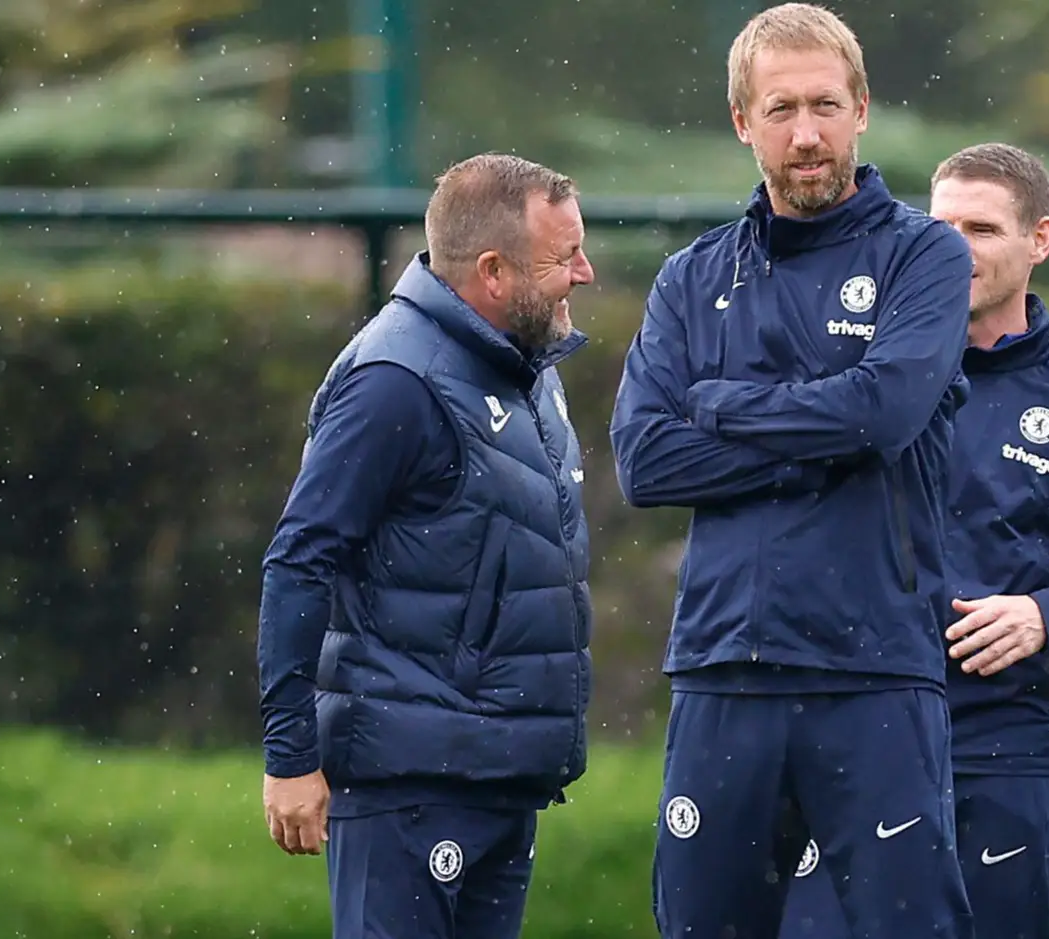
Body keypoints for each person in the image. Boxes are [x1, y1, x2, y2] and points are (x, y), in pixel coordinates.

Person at [608, 4, 976, 938]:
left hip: (875, 670)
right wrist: (824, 431)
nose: (805, 134)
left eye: (823, 105)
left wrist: (724, 403)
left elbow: (884, 413)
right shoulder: (693, 278)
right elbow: (645, 459)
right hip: (724, 669)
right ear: (742, 122)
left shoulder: (924, 254)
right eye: (779, 110)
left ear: (861, 109)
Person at [780, 142, 1049, 938]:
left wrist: (1048, 615)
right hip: (851, 732)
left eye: (982, 228)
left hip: (1001, 743)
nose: (954, 247)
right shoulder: (855, 376)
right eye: (941, 226)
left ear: (1040, 241)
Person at [254, 152, 598, 939]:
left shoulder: (529, 368)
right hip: (410, 781)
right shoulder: (393, 381)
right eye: (563, 255)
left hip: (500, 776)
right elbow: (299, 560)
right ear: (492, 272)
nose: (584, 271)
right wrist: (290, 755)